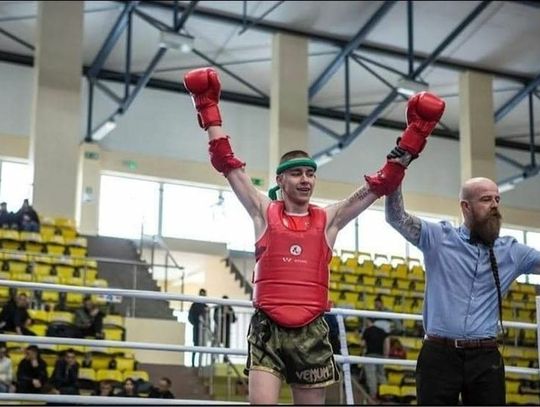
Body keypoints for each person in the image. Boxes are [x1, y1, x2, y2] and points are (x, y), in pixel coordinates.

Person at [183, 67, 445, 404]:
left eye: (310, 173)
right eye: (297, 174)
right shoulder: (263, 211)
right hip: (268, 327)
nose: (305, 180)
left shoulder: (329, 218)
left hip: (312, 328)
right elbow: (227, 164)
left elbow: (379, 185)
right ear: (282, 181)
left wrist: (411, 142)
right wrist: (208, 110)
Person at [385, 177, 540, 405]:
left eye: (497, 199)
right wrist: (395, 173)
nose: (494, 205)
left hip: (485, 357)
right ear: (465, 207)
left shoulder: (512, 251)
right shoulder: (439, 237)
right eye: (486, 199)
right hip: (439, 354)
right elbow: (397, 218)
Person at [360, 318, 390, 400]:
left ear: (368, 321)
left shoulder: (367, 331)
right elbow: (387, 343)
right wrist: (386, 355)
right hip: (380, 356)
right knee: (381, 375)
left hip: (370, 355)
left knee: (371, 376)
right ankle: (386, 394)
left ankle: (373, 395)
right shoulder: (382, 331)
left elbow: (362, 344)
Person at [188, 288, 209, 366]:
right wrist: (196, 323)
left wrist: (207, 327)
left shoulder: (206, 307)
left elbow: (208, 319)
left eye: (204, 295)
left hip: (204, 330)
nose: (203, 296)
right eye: (201, 294)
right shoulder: (194, 305)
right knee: (195, 346)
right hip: (197, 329)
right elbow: (190, 317)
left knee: (203, 347)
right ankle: (193, 363)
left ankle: (200, 364)